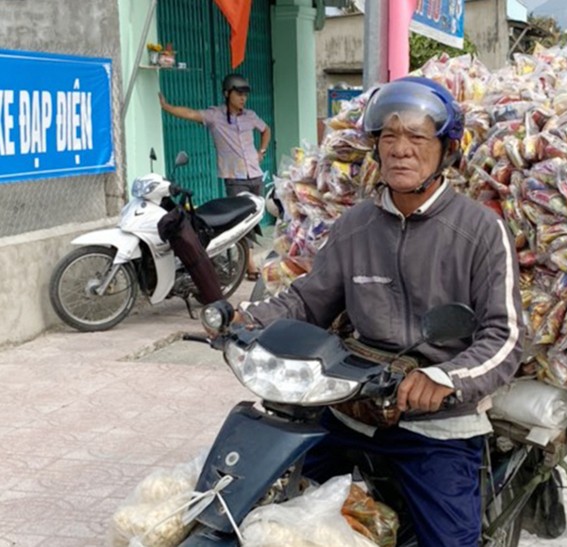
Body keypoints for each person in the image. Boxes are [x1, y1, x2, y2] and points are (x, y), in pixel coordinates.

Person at [232, 76, 524, 546]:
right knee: (268, 504)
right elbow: (309, 300)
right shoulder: (356, 225)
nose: (400, 150)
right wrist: (244, 321)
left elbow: (504, 335)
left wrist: (446, 378)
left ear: (446, 149)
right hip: (352, 408)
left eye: (416, 137)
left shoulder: (481, 230)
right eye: (389, 137)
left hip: (437, 423)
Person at [159, 73, 270, 281]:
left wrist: (261, 151)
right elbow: (191, 114)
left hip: (255, 175)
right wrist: (167, 107)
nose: (243, 98)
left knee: (253, 220)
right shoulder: (215, 116)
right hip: (235, 178)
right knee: (239, 222)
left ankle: (245, 260)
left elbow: (266, 130)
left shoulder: (250, 115)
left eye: (245, 95)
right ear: (227, 94)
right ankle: (250, 265)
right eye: (238, 94)